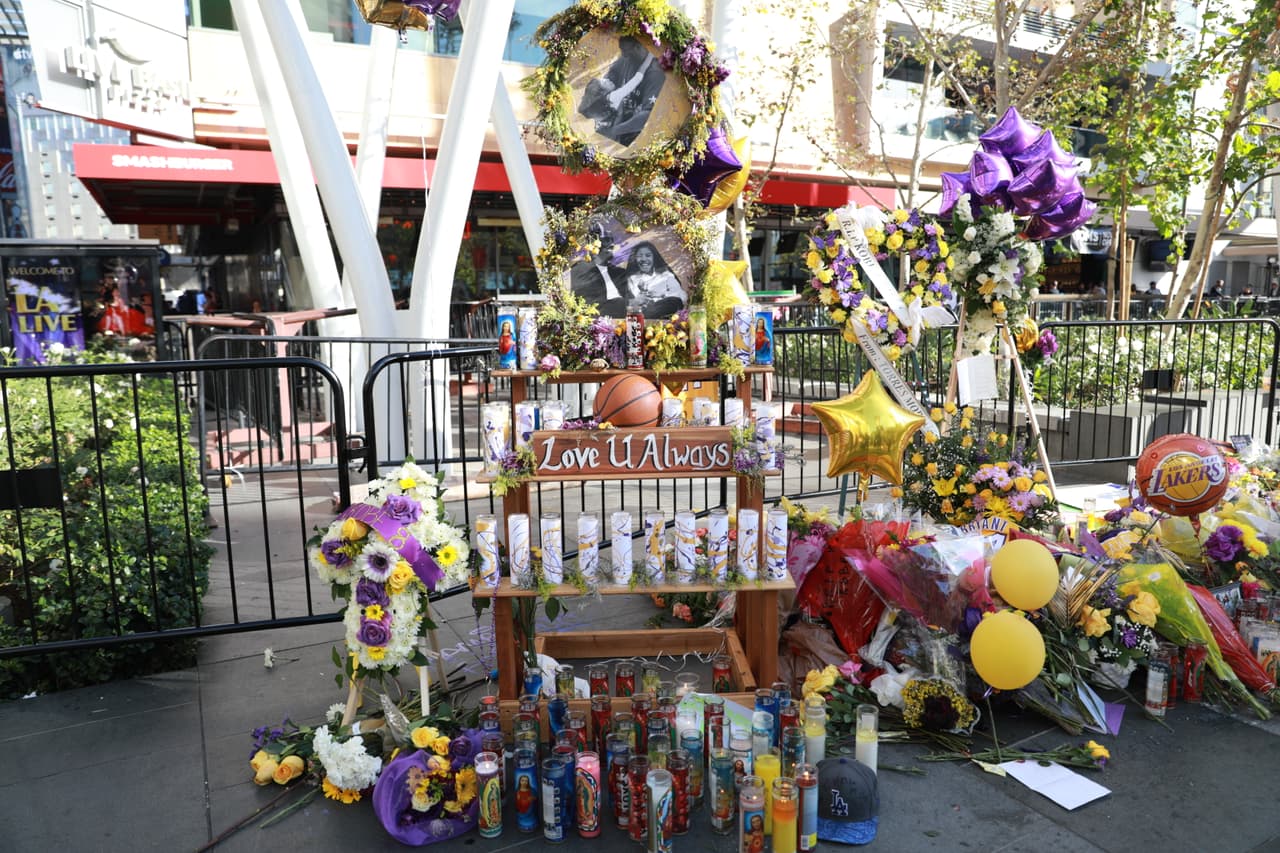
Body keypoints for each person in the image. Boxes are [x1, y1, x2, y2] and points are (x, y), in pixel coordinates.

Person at [577, 36, 665, 147]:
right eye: (605, 82)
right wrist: (649, 57)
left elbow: (648, 116)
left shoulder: (655, 74)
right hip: (613, 133)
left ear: (638, 47)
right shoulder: (613, 95)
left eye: (627, 51)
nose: (623, 55)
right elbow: (635, 78)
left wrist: (615, 130)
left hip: (630, 138)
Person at [569, 223, 631, 316]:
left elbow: (632, 299)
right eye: (608, 247)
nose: (612, 250)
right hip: (598, 320)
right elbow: (585, 302)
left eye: (611, 246)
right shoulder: (580, 268)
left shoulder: (619, 272)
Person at [625, 241, 685, 318]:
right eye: (639, 256)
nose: (643, 259)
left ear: (654, 258)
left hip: (667, 315)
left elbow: (681, 297)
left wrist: (661, 295)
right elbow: (630, 305)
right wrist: (639, 299)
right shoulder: (632, 279)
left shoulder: (666, 275)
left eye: (648, 255)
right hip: (640, 317)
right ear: (635, 259)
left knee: (674, 301)